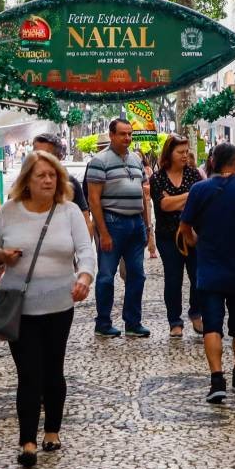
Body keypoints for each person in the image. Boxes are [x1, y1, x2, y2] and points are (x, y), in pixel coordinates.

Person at [0, 151, 95, 468]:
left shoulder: (69, 211)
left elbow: (86, 251)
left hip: (60, 304)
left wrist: (85, 278)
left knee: (52, 370)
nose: (48, 180)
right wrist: (2, 256)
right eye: (41, 175)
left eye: (52, 175)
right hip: (21, 306)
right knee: (29, 373)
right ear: (27, 180)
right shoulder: (9, 211)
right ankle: (27, 441)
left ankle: (52, 430)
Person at [179, 143, 235, 403]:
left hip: (208, 269)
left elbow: (185, 225)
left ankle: (216, 379)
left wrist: (195, 239)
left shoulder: (199, 189)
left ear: (212, 162)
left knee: (212, 325)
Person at [87, 118, 152, 338]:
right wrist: (103, 232)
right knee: (106, 275)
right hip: (112, 223)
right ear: (111, 135)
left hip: (135, 224)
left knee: (137, 275)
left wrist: (146, 225)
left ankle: (133, 323)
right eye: (123, 134)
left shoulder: (135, 159)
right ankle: (103, 323)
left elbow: (143, 194)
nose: (127, 138)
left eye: (130, 134)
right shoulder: (99, 161)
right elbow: (94, 199)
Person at [150, 135, 202, 339]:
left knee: (197, 276)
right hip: (167, 236)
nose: (184, 155)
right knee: (173, 278)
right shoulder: (157, 178)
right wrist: (189, 196)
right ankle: (175, 321)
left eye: (186, 151)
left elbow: (199, 201)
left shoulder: (193, 174)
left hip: (193, 234)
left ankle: (196, 313)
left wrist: (174, 199)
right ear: (169, 153)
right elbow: (163, 205)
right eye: (180, 152)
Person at [34, 133, 93, 239]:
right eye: (36, 154)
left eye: (46, 155)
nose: (39, 159)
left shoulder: (70, 183)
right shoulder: (22, 184)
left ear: (59, 157)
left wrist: (84, 251)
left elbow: (86, 222)